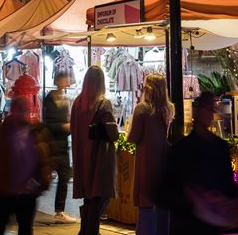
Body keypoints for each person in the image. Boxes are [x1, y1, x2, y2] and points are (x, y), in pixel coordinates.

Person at [159, 92, 238, 234]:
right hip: (188, 223)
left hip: (209, 223)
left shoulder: (218, 147)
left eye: (211, 109)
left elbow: (228, 185)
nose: (209, 113)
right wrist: (191, 198)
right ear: (196, 111)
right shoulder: (182, 149)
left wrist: (223, 201)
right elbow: (165, 191)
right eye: (206, 108)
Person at [0, 95, 53, 235]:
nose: (21, 112)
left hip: (28, 193)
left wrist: (40, 180)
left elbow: (45, 159)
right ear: (12, 109)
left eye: (24, 109)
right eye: (19, 108)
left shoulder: (37, 133)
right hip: (4, 191)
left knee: (25, 228)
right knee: (1, 226)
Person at [71, 65, 119, 235]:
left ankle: (85, 231)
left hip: (82, 157)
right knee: (99, 198)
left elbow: (73, 129)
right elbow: (113, 135)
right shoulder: (103, 103)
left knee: (89, 198)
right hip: (99, 157)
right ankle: (90, 231)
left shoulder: (77, 102)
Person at [127, 74, 174, 235]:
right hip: (164, 159)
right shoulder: (168, 109)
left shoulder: (142, 109)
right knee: (162, 203)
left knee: (145, 203)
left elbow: (133, 137)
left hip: (146, 161)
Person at [43, 71, 76, 224]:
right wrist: (64, 127)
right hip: (52, 145)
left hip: (62, 145)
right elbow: (47, 124)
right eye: (66, 78)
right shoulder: (49, 99)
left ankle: (59, 211)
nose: (68, 81)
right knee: (45, 178)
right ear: (58, 80)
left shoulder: (66, 99)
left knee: (64, 176)